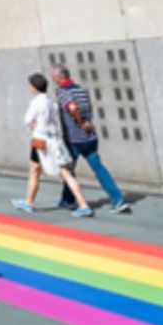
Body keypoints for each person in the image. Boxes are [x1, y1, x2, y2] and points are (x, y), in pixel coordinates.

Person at [52, 65, 131, 215]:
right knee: (99, 168)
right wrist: (86, 123)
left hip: (74, 138)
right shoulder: (82, 90)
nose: (52, 79)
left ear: (58, 77)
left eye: (53, 76)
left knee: (67, 171)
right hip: (89, 136)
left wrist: (79, 122)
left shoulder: (62, 92)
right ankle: (118, 199)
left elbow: (73, 108)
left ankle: (69, 201)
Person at [13, 74, 94, 217]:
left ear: (34, 86)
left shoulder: (36, 102)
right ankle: (82, 204)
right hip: (55, 140)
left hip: (40, 140)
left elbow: (27, 119)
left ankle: (29, 203)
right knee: (63, 172)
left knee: (35, 171)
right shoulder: (51, 101)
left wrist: (35, 125)